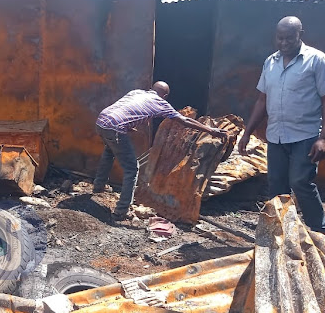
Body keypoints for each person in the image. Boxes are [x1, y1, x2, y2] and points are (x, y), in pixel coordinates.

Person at [238, 16, 325, 234]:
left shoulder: (317, 60)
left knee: (301, 182)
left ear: (300, 34)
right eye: (280, 38)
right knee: (276, 187)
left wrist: (324, 137)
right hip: (276, 136)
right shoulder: (270, 62)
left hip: (305, 135)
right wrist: (247, 133)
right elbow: (262, 100)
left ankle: (321, 232)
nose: (283, 43)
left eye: (289, 39)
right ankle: (280, 232)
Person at [93, 81, 228, 220]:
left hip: (102, 121)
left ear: (151, 89)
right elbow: (185, 121)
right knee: (132, 169)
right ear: (165, 95)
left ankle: (98, 186)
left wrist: (128, 126)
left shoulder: (137, 92)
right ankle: (121, 211)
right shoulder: (160, 103)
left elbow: (125, 110)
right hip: (115, 129)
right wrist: (211, 130)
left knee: (109, 152)